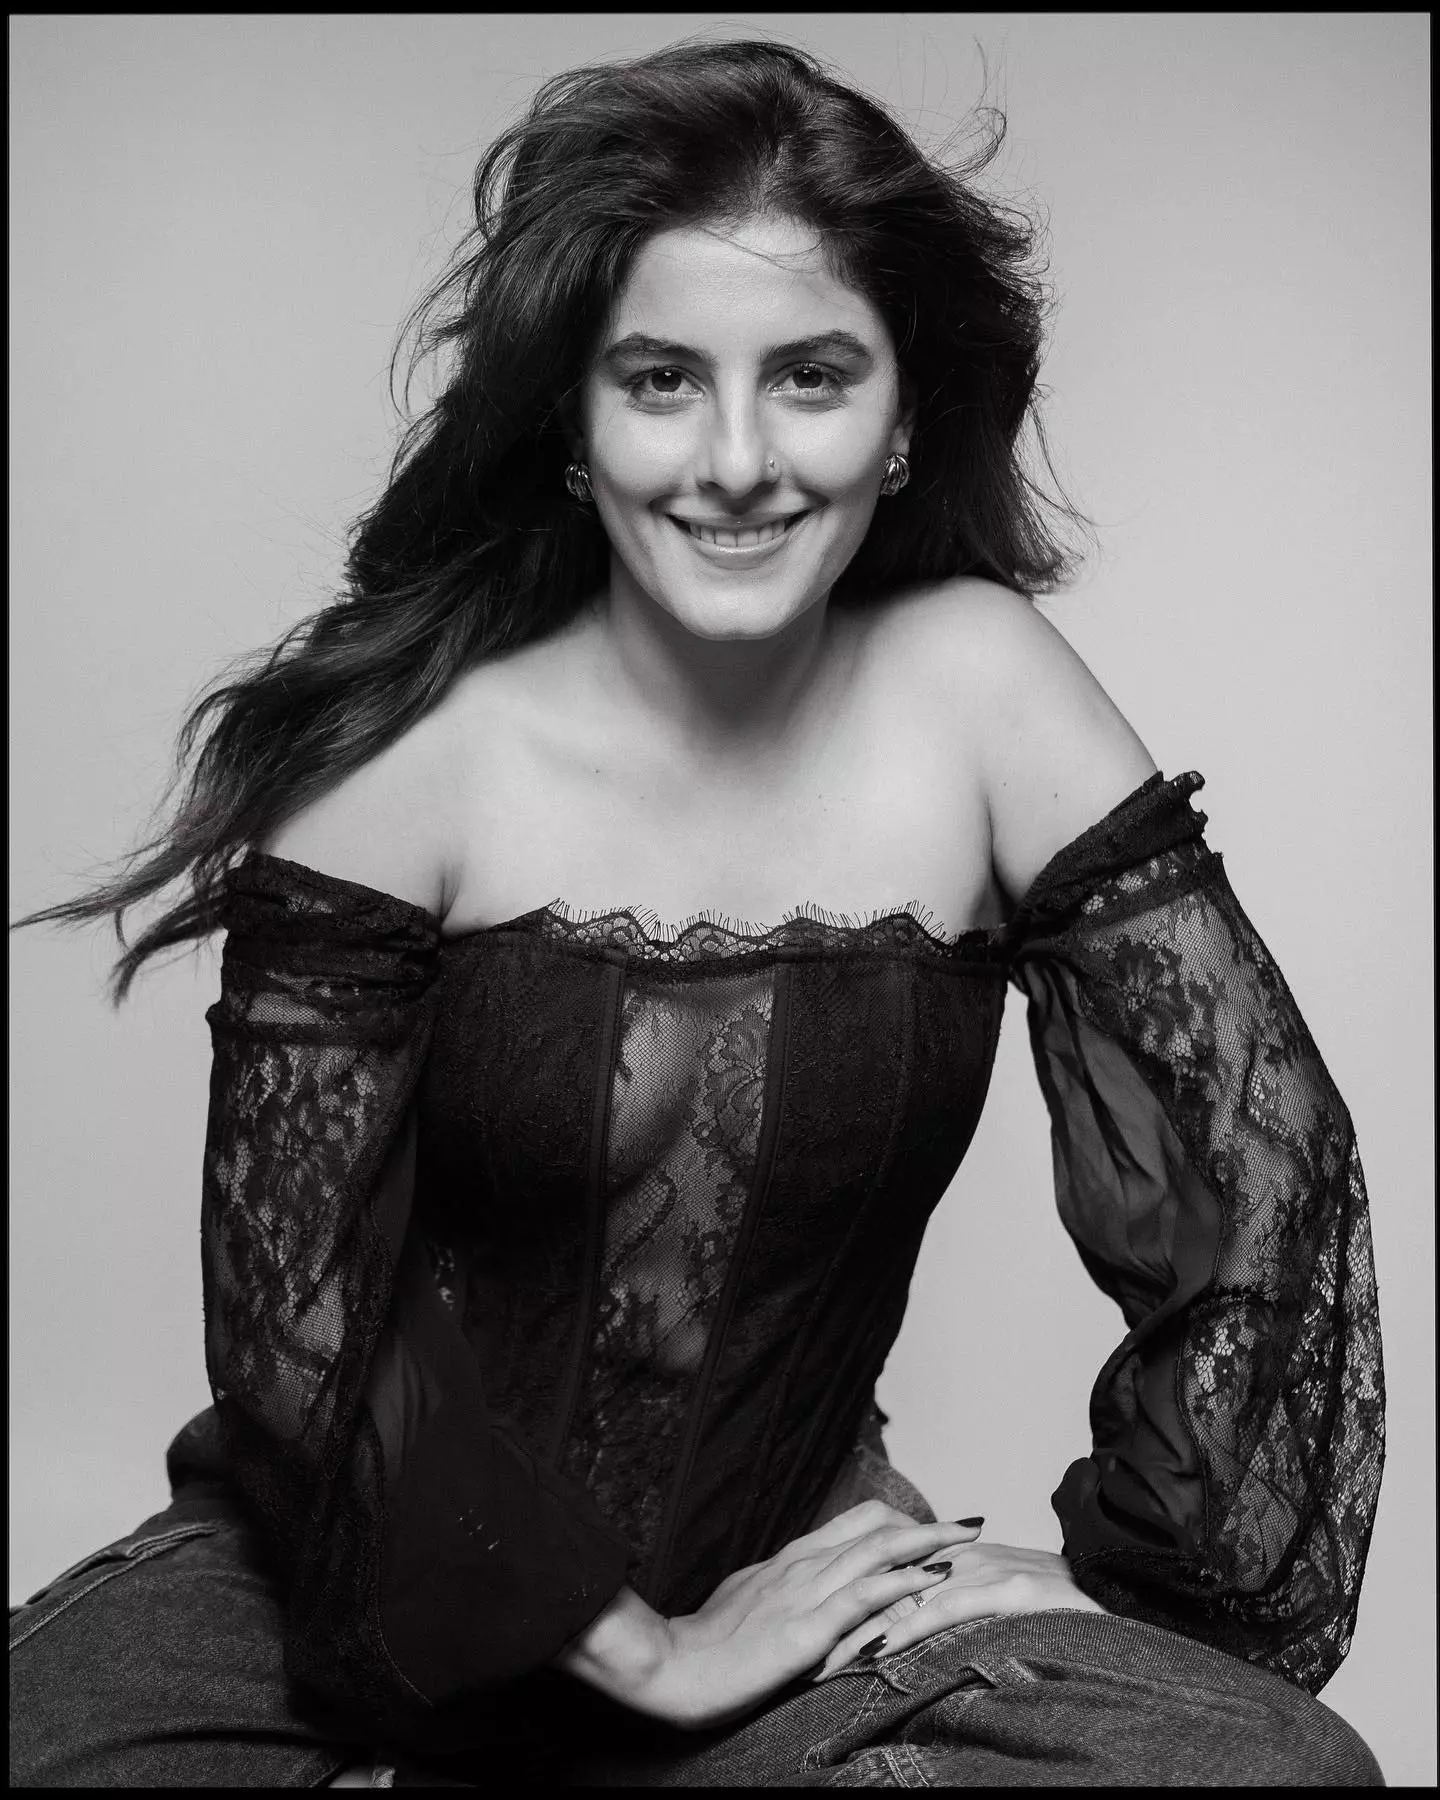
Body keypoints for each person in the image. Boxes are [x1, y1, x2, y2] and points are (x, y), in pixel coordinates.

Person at [9, 37, 1385, 1788]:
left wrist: (1133, 1579)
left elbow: (1267, 1171)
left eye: (811, 376)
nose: (737, 460)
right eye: (661, 381)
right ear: (572, 425)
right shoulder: (406, 748)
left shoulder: (982, 691)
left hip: (793, 1615)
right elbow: (305, 1324)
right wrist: (642, 1651)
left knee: (1270, 1771)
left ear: (904, 415)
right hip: (355, 1592)